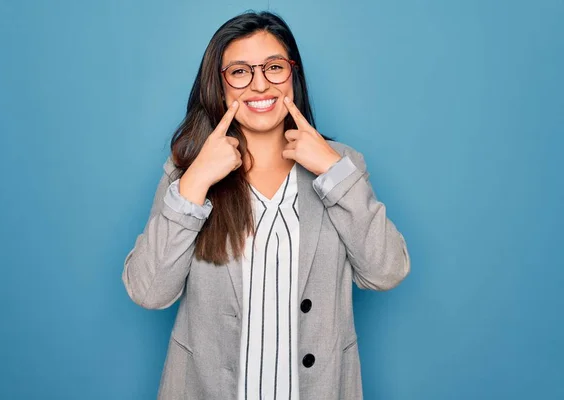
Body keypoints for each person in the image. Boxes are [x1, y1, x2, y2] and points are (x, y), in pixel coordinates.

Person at [122, 11, 410, 400]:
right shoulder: (187, 173)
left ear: (293, 75)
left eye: (274, 67)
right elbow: (149, 291)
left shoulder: (342, 164)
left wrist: (331, 169)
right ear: (219, 85)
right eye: (240, 71)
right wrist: (195, 181)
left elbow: (386, 270)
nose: (260, 85)